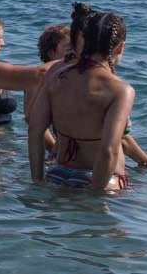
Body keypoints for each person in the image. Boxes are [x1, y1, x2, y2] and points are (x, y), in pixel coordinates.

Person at [28, 10, 135, 191]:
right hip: (99, 181)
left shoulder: (56, 75)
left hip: (58, 174)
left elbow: (34, 130)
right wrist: (95, 194)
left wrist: (37, 181)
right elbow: (108, 151)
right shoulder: (121, 90)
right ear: (120, 47)